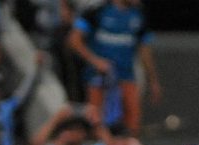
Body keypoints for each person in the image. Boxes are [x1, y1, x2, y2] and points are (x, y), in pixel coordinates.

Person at [67, 0, 161, 136]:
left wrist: (153, 80)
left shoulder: (138, 14)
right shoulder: (97, 11)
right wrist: (95, 61)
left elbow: (144, 49)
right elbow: (74, 41)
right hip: (98, 78)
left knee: (133, 122)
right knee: (96, 122)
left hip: (126, 76)